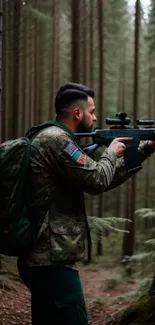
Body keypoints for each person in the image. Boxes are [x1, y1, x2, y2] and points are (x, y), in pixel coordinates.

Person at [17, 82, 155, 325]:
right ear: (77, 113)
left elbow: (97, 178)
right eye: (91, 111)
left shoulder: (55, 139)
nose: (96, 117)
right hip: (49, 259)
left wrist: (144, 149)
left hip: (44, 257)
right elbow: (97, 179)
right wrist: (111, 151)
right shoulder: (58, 141)